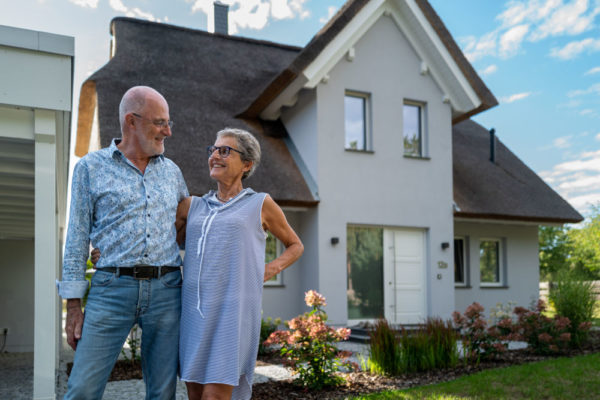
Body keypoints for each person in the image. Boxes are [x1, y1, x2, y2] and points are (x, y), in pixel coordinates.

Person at [57, 86, 188, 400]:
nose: (168, 131)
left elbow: (185, 226)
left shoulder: (172, 172)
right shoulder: (90, 168)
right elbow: (76, 237)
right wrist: (73, 306)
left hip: (167, 290)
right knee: (83, 390)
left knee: (163, 392)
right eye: (160, 123)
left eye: (168, 123)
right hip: (111, 289)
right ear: (132, 121)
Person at [176, 128, 303, 400]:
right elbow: (158, 241)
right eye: (213, 150)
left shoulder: (260, 203)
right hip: (194, 315)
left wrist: (268, 270)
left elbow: (295, 245)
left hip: (232, 315)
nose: (215, 156)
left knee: (215, 395)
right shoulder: (192, 206)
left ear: (247, 164)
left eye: (225, 151)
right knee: (196, 395)